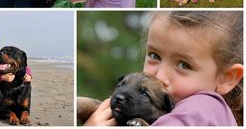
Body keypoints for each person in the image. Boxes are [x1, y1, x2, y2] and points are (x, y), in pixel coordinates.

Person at [84, 11, 243, 126]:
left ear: (227, 77)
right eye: (155, 56)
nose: (159, 76)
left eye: (183, 65)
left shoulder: (203, 107)